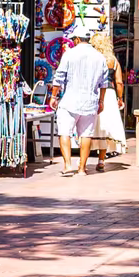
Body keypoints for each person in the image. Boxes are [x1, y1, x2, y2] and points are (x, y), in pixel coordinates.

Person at [49, 26, 109, 177]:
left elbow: (59, 78)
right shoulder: (100, 57)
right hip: (90, 101)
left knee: (64, 132)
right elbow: (104, 83)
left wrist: (53, 96)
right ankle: (82, 168)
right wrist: (101, 101)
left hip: (70, 101)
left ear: (76, 39)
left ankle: (68, 165)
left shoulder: (69, 54)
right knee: (86, 135)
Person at [88, 32, 126, 172]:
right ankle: (101, 160)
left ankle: (83, 159)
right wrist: (120, 98)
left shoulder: (91, 59)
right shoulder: (113, 60)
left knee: (89, 126)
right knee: (104, 127)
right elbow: (119, 82)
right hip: (109, 94)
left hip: (93, 92)